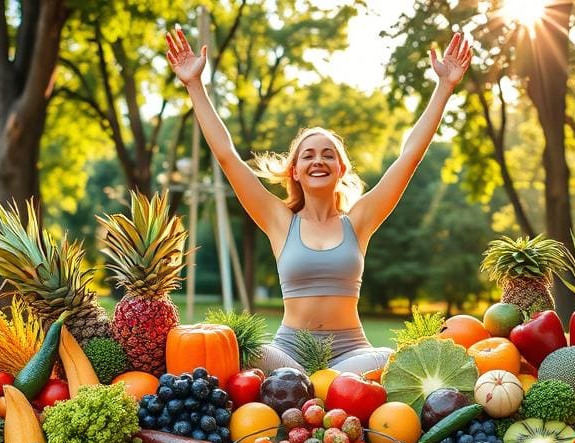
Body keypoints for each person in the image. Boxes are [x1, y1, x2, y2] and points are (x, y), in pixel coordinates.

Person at [166, 26, 473, 375]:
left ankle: (321, 389)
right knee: (244, 350)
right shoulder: (279, 221)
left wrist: (444, 88)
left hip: (352, 355)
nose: (318, 161)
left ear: (340, 168)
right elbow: (227, 156)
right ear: (294, 170)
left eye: (328, 155)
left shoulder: (359, 221)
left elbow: (409, 158)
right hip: (288, 354)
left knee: (391, 359)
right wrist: (195, 85)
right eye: (308, 155)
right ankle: (310, 389)